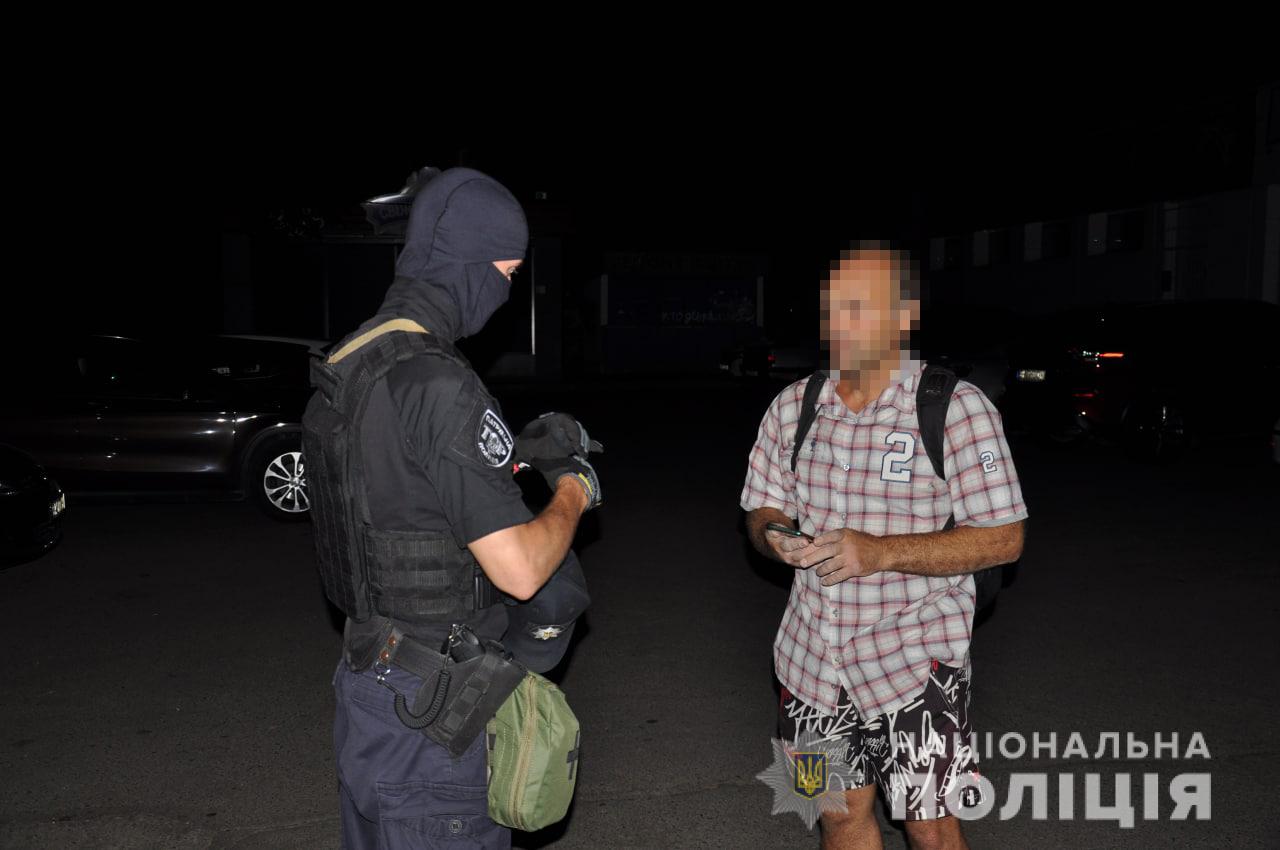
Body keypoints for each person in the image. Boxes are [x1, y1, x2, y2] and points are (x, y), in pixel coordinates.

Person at [302, 167, 600, 849]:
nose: (506, 291)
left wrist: (504, 462)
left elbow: (403, 492)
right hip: (434, 717)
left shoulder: (352, 362)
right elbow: (520, 571)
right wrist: (574, 488)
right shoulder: (440, 381)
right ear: (471, 263)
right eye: (507, 272)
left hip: (369, 686)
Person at [740, 242, 1027, 850]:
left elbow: (1005, 538)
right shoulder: (793, 407)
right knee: (836, 817)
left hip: (914, 668)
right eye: (833, 304)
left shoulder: (956, 408)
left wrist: (881, 552)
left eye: (859, 305)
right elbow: (762, 509)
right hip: (808, 667)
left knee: (932, 828)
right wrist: (775, 536)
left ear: (904, 314)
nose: (839, 320)